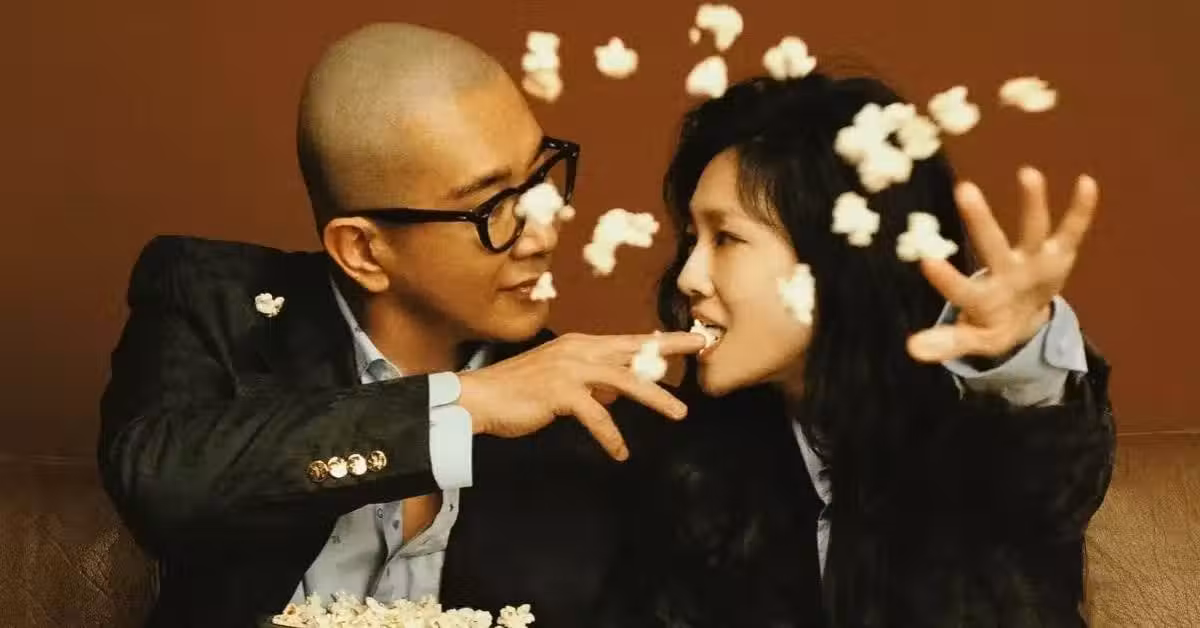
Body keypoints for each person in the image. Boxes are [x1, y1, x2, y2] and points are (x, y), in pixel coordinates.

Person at [98, 23, 704, 627]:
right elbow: (161, 480)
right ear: (363, 250)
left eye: (540, 180)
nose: (542, 234)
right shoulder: (213, 301)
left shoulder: (598, 414)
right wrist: (461, 403)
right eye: (492, 206)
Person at [601, 73, 1114, 627]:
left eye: (725, 238)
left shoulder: (970, 442)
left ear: (837, 259)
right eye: (690, 240)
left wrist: (1022, 356)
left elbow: (1051, 472)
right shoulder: (689, 463)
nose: (688, 276)